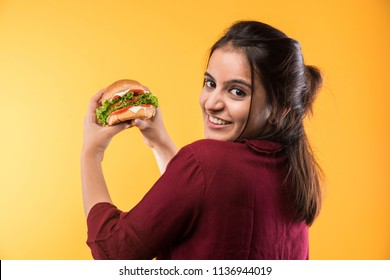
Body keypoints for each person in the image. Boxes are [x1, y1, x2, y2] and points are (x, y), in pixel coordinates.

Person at [81, 20, 323, 259]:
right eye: (210, 83)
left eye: (237, 91)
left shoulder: (206, 161)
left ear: (281, 109)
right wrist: (160, 142)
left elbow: (114, 252)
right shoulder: (295, 175)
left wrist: (92, 153)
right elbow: (202, 203)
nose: (211, 103)